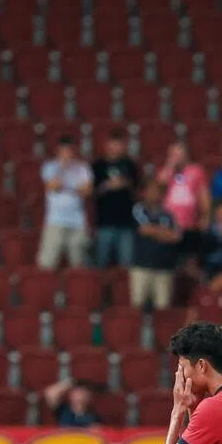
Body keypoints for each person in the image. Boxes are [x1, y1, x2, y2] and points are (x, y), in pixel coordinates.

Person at [38, 135, 92, 269]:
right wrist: (64, 171)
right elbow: (53, 186)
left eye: (70, 150)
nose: (67, 153)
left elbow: (87, 191)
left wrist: (67, 186)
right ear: (58, 151)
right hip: (55, 220)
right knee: (47, 263)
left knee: (78, 263)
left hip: (77, 221)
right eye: (64, 150)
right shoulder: (50, 166)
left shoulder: (82, 168)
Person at [131, 178, 181, 310]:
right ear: (144, 193)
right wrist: (163, 232)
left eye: (156, 191)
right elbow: (144, 230)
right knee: (137, 306)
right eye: (150, 191)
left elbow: (174, 237)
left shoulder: (168, 214)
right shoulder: (138, 210)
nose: (154, 194)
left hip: (164, 268)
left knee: (163, 309)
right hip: (142, 266)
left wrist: (154, 231)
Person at [91, 131, 139, 268]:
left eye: (119, 145)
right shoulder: (98, 165)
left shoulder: (130, 165)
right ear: (107, 146)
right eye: (113, 145)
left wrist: (125, 183)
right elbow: (91, 192)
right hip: (104, 222)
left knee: (126, 264)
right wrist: (107, 186)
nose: (116, 148)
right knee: (102, 263)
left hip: (126, 223)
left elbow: (137, 191)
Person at [157, 141, 210, 258]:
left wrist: (205, 216)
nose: (176, 157)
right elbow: (159, 188)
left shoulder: (196, 171)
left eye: (178, 154)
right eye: (173, 154)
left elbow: (203, 194)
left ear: (186, 154)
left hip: (189, 225)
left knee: (189, 259)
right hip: (168, 226)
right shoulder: (165, 171)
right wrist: (170, 166)